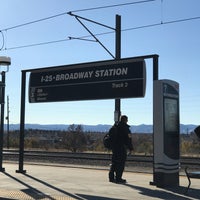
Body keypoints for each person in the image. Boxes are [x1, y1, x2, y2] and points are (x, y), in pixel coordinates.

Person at [109, 115, 133, 184]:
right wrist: (130, 148)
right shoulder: (125, 128)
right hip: (121, 148)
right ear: (125, 120)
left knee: (114, 162)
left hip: (114, 148)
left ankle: (111, 178)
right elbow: (129, 139)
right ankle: (118, 178)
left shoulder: (115, 126)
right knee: (121, 163)